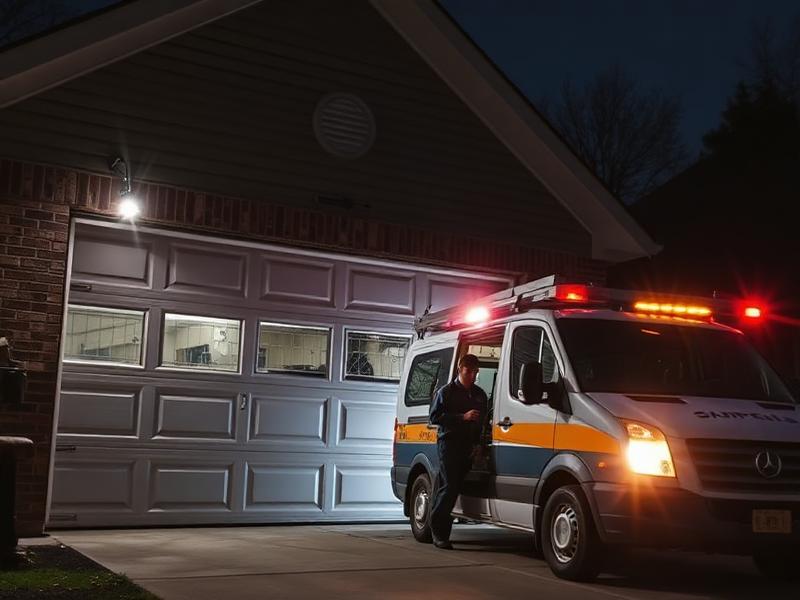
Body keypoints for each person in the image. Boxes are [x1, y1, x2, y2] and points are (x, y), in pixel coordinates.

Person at [428, 353, 487, 549]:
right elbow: (435, 417)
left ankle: (438, 528)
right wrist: (462, 417)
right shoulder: (446, 392)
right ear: (460, 370)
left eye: (475, 372)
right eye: (468, 371)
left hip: (468, 447)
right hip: (449, 445)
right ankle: (438, 532)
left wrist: (478, 445)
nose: (471, 375)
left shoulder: (479, 395)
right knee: (450, 488)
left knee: (452, 489)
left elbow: (482, 423)